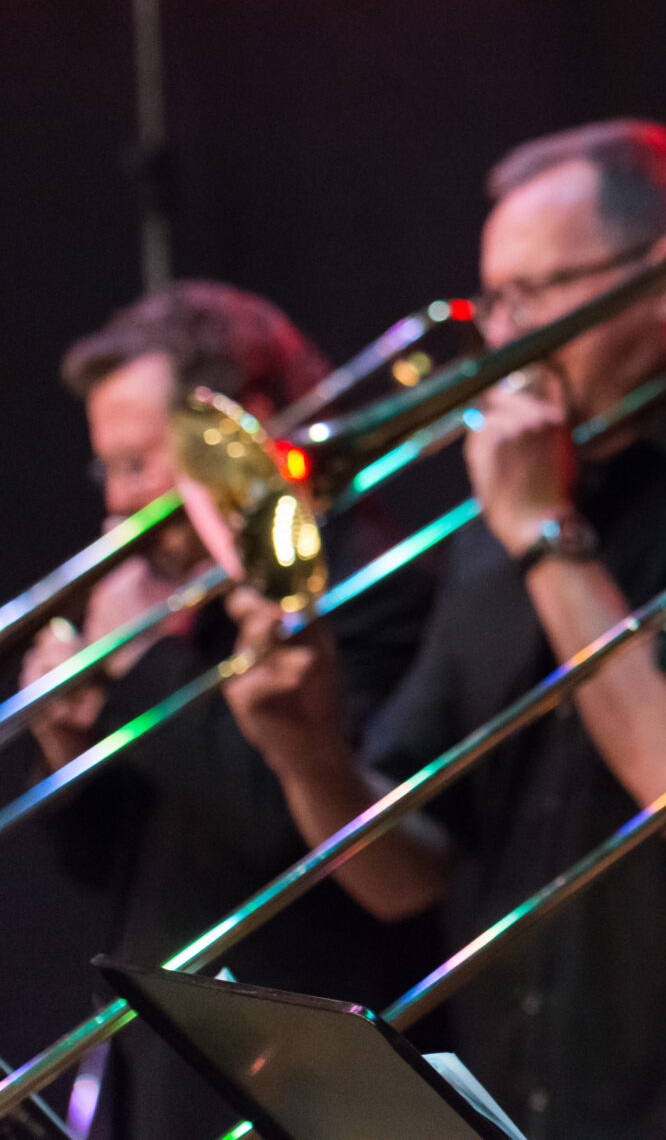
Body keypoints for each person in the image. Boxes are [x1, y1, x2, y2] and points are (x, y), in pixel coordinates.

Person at [220, 121, 666, 1140]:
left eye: (534, 293)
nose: (501, 337)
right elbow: (407, 876)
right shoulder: (497, 539)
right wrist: (306, 750)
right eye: (493, 300)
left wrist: (545, 533)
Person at [16, 283, 440, 1140]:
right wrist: (67, 746)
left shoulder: (368, 581)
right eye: (107, 469)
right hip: (162, 1082)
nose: (117, 503)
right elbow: (109, 865)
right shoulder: (194, 603)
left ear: (238, 425)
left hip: (298, 1087)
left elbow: (285, 826)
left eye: (138, 463)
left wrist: (143, 660)